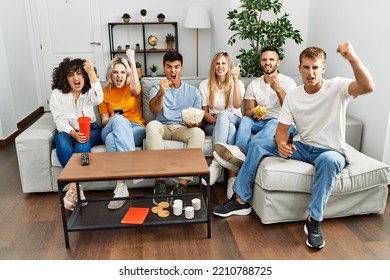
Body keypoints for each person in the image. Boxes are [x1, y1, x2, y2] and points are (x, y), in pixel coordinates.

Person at [212, 41, 375, 249]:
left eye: (315, 67)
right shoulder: (294, 96)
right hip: (303, 146)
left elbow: (367, 86)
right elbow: (281, 131)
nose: (311, 72)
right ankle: (240, 200)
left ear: (323, 68)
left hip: (330, 150)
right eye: (306, 67)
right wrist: (281, 144)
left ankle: (314, 220)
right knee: (259, 145)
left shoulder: (338, 87)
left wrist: (352, 57)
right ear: (300, 68)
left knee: (328, 160)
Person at [214, 46, 297, 197]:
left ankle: (243, 154)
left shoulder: (288, 82)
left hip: (284, 124)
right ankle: (239, 151)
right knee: (245, 120)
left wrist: (277, 88)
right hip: (261, 122)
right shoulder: (255, 84)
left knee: (273, 123)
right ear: (261, 62)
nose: (267, 62)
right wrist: (255, 114)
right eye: (264, 59)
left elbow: (291, 110)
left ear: (278, 62)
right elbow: (247, 111)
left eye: (271, 59)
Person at [145, 51, 205, 204]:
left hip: (182, 128)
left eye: (176, 67)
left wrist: (193, 123)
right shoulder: (156, 88)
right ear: (164, 68)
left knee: (198, 133)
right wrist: (161, 93)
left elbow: (199, 119)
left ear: (181, 68)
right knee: (151, 125)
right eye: (169, 67)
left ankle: (182, 184)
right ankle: (160, 183)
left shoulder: (193, 91)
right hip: (163, 127)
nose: (173, 71)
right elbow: (154, 110)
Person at [50, 57, 104, 211]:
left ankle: (73, 188)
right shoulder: (57, 94)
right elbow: (60, 121)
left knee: (83, 143)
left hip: (91, 129)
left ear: (84, 76)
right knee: (60, 138)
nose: (76, 78)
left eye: (79, 74)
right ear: (65, 78)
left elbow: (99, 98)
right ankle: (76, 187)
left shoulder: (88, 92)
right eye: (71, 75)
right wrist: (73, 133)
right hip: (68, 131)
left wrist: (92, 72)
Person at [99, 49, 146, 210]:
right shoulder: (103, 92)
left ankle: (121, 187)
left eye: (122, 73)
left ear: (127, 74)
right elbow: (105, 121)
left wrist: (132, 61)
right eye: (115, 73)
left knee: (113, 139)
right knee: (118, 120)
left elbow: (135, 88)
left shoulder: (133, 88)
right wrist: (115, 117)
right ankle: (133, 169)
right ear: (110, 75)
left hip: (135, 128)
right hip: (110, 126)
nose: (119, 76)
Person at [198, 52, 245, 197]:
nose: (220, 66)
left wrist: (235, 80)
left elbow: (237, 105)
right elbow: (204, 112)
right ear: (213, 66)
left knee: (226, 116)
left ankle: (216, 162)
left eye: (224, 63)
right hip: (213, 124)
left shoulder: (238, 83)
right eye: (217, 63)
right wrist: (213, 120)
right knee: (229, 128)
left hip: (234, 119)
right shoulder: (205, 85)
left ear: (229, 66)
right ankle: (232, 178)